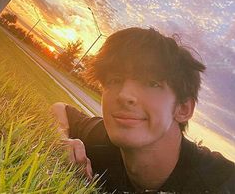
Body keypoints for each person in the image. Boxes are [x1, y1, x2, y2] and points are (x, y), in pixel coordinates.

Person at [50, 27, 235, 193]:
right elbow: (61, 110)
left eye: (151, 83)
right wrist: (62, 140)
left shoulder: (221, 182)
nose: (124, 95)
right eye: (114, 79)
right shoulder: (103, 140)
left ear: (183, 109)